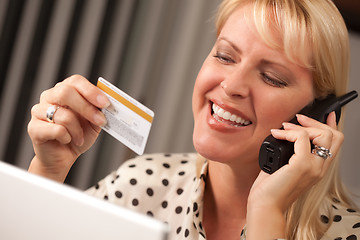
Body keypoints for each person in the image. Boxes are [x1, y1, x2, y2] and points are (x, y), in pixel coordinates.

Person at [27, 0, 360, 239]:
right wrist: (47, 174)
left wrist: (267, 209)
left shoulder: (347, 234)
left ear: (321, 113)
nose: (231, 85)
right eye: (225, 56)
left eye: (271, 77)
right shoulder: (143, 185)